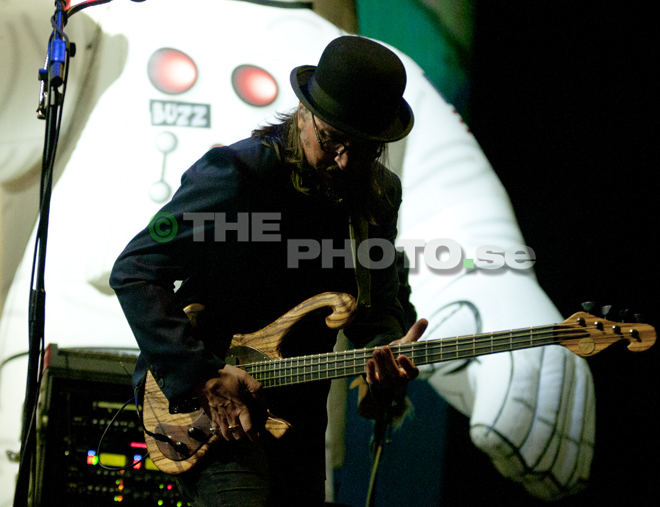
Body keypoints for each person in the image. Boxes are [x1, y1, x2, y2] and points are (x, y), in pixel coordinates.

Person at [109, 35, 427, 506]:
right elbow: (135, 268)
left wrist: (386, 352)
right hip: (213, 396)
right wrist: (201, 375)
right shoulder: (237, 174)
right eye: (332, 140)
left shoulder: (377, 197)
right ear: (303, 113)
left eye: (362, 149)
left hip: (299, 412)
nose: (344, 161)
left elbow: (376, 305)